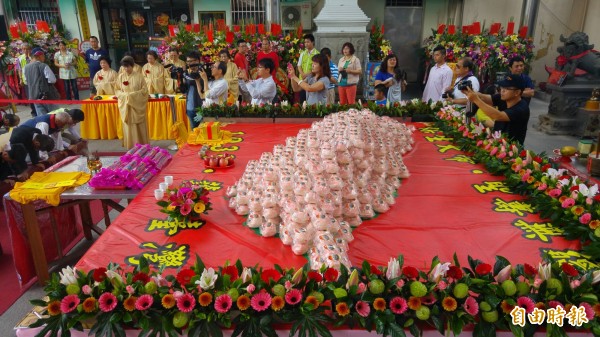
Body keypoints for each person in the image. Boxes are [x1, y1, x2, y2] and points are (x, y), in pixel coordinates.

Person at [464, 74, 530, 145]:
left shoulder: (521, 108)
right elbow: (484, 97)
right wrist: (469, 91)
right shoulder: (504, 98)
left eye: (507, 88)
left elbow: (498, 116)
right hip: (497, 142)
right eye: (502, 87)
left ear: (517, 92)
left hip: (511, 149)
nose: (502, 91)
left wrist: (476, 99)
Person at [115, 56, 149, 148]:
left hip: (137, 105)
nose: (126, 69)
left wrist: (132, 95)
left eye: (128, 66)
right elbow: (117, 90)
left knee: (139, 125)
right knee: (128, 126)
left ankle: (142, 145)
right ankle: (130, 145)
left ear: (132, 66)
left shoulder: (139, 76)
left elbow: (145, 90)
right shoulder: (121, 76)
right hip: (126, 106)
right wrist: (125, 96)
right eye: (124, 67)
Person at [23, 47, 60, 116]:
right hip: (47, 95)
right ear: (40, 56)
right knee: (55, 116)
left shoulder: (26, 67)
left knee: (42, 118)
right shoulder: (43, 66)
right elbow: (52, 80)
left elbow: (26, 81)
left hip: (34, 96)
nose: (44, 57)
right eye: (43, 55)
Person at [182, 51, 204, 129]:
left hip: (202, 108)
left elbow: (194, 80)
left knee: (203, 131)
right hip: (190, 108)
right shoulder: (187, 73)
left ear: (197, 61)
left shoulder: (203, 72)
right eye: (188, 61)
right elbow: (184, 89)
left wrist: (184, 73)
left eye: (192, 61)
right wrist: (180, 78)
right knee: (194, 131)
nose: (190, 63)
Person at [15, 43, 36, 117]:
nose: (26, 50)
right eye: (24, 49)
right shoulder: (20, 58)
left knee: (37, 95)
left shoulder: (34, 56)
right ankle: (34, 111)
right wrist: (20, 79)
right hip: (26, 80)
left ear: (30, 49)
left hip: (35, 79)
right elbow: (19, 69)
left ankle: (40, 109)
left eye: (27, 49)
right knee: (30, 96)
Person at [297, 34, 319, 103]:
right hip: (302, 81)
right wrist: (302, 74)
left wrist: (306, 74)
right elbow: (299, 65)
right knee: (302, 100)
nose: (306, 44)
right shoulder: (303, 53)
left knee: (311, 101)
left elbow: (317, 68)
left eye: (308, 42)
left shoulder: (317, 54)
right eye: (305, 42)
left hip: (312, 81)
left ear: (313, 42)